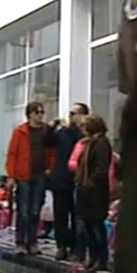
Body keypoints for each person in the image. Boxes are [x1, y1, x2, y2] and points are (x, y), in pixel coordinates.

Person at [5, 101, 56, 255]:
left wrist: (50, 167)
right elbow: (13, 153)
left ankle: (32, 241)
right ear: (30, 114)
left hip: (40, 174)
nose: (40, 115)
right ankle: (20, 242)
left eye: (42, 112)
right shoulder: (20, 131)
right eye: (37, 112)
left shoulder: (47, 131)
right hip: (23, 175)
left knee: (35, 210)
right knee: (23, 210)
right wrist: (11, 175)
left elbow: (52, 150)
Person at [73, 114, 113, 272]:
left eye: (84, 126)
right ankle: (93, 256)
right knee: (88, 225)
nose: (82, 130)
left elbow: (101, 167)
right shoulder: (88, 143)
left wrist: (90, 183)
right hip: (85, 190)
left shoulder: (102, 143)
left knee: (97, 225)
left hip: (96, 192)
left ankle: (101, 258)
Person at [48, 103, 88, 260]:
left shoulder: (83, 134)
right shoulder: (62, 132)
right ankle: (61, 246)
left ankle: (76, 248)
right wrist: (51, 128)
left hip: (77, 180)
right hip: (60, 178)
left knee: (76, 216)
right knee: (60, 215)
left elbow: (79, 142)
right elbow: (48, 142)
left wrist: (72, 128)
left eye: (74, 113)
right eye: (70, 113)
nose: (70, 116)